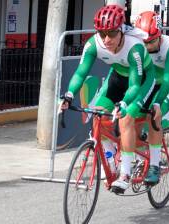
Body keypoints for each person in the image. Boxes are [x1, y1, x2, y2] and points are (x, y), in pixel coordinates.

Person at [61, 5, 157, 192]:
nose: (106, 39)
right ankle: (110, 157)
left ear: (121, 30)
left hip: (142, 80)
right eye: (102, 33)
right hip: (117, 78)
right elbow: (80, 74)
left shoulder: (134, 48)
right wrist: (69, 94)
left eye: (112, 33)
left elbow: (135, 85)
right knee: (98, 114)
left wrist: (123, 103)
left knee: (126, 117)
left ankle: (126, 174)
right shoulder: (93, 44)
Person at [135, 11, 169, 184]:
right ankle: (141, 158)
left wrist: (157, 104)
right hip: (151, 83)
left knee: (153, 115)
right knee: (135, 117)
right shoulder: (137, 45)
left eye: (151, 41)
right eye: (144, 42)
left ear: (160, 35)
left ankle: (155, 165)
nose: (147, 46)